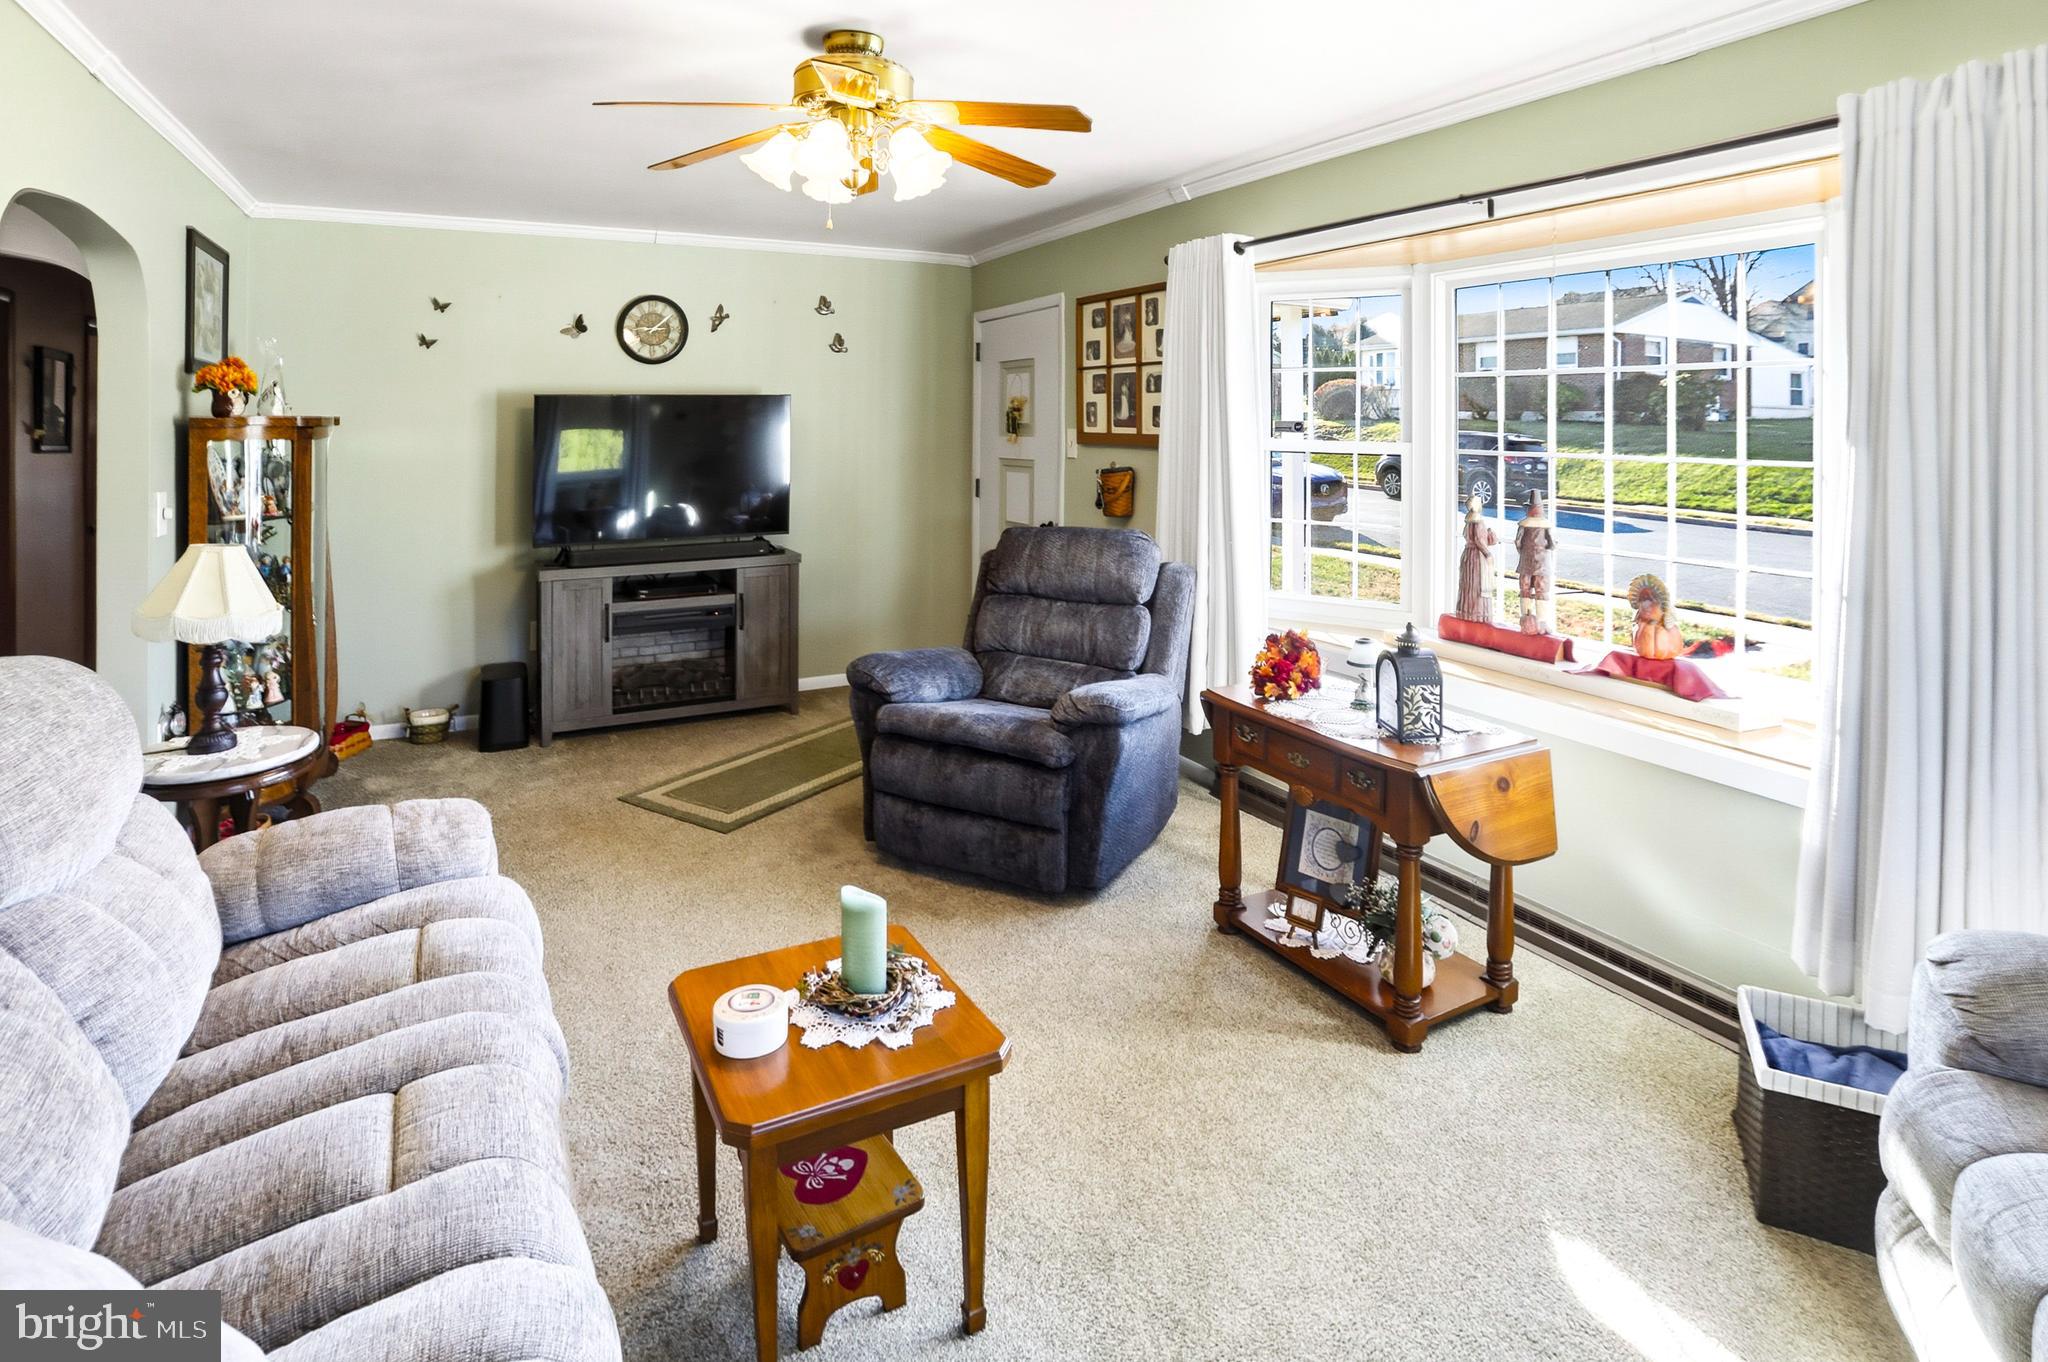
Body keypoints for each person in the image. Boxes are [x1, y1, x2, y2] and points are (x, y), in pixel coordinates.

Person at [1514, 490, 1556, 635]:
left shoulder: (1523, 526)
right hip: (1542, 564)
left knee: (1525, 590)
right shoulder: (1545, 527)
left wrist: (1524, 553)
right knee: (1542, 591)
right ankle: (1541, 622)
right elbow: (1552, 544)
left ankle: (1526, 618)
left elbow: (1518, 542)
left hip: (1526, 563)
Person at [1456, 494, 1497, 623]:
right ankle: (1477, 614)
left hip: (1468, 555)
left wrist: (1489, 535)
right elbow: (1479, 541)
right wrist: (1487, 554)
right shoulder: (1477, 522)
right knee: (1476, 585)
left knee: (1468, 585)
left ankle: (1466, 612)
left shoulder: (1468, 523)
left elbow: (1479, 539)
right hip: (1476, 558)